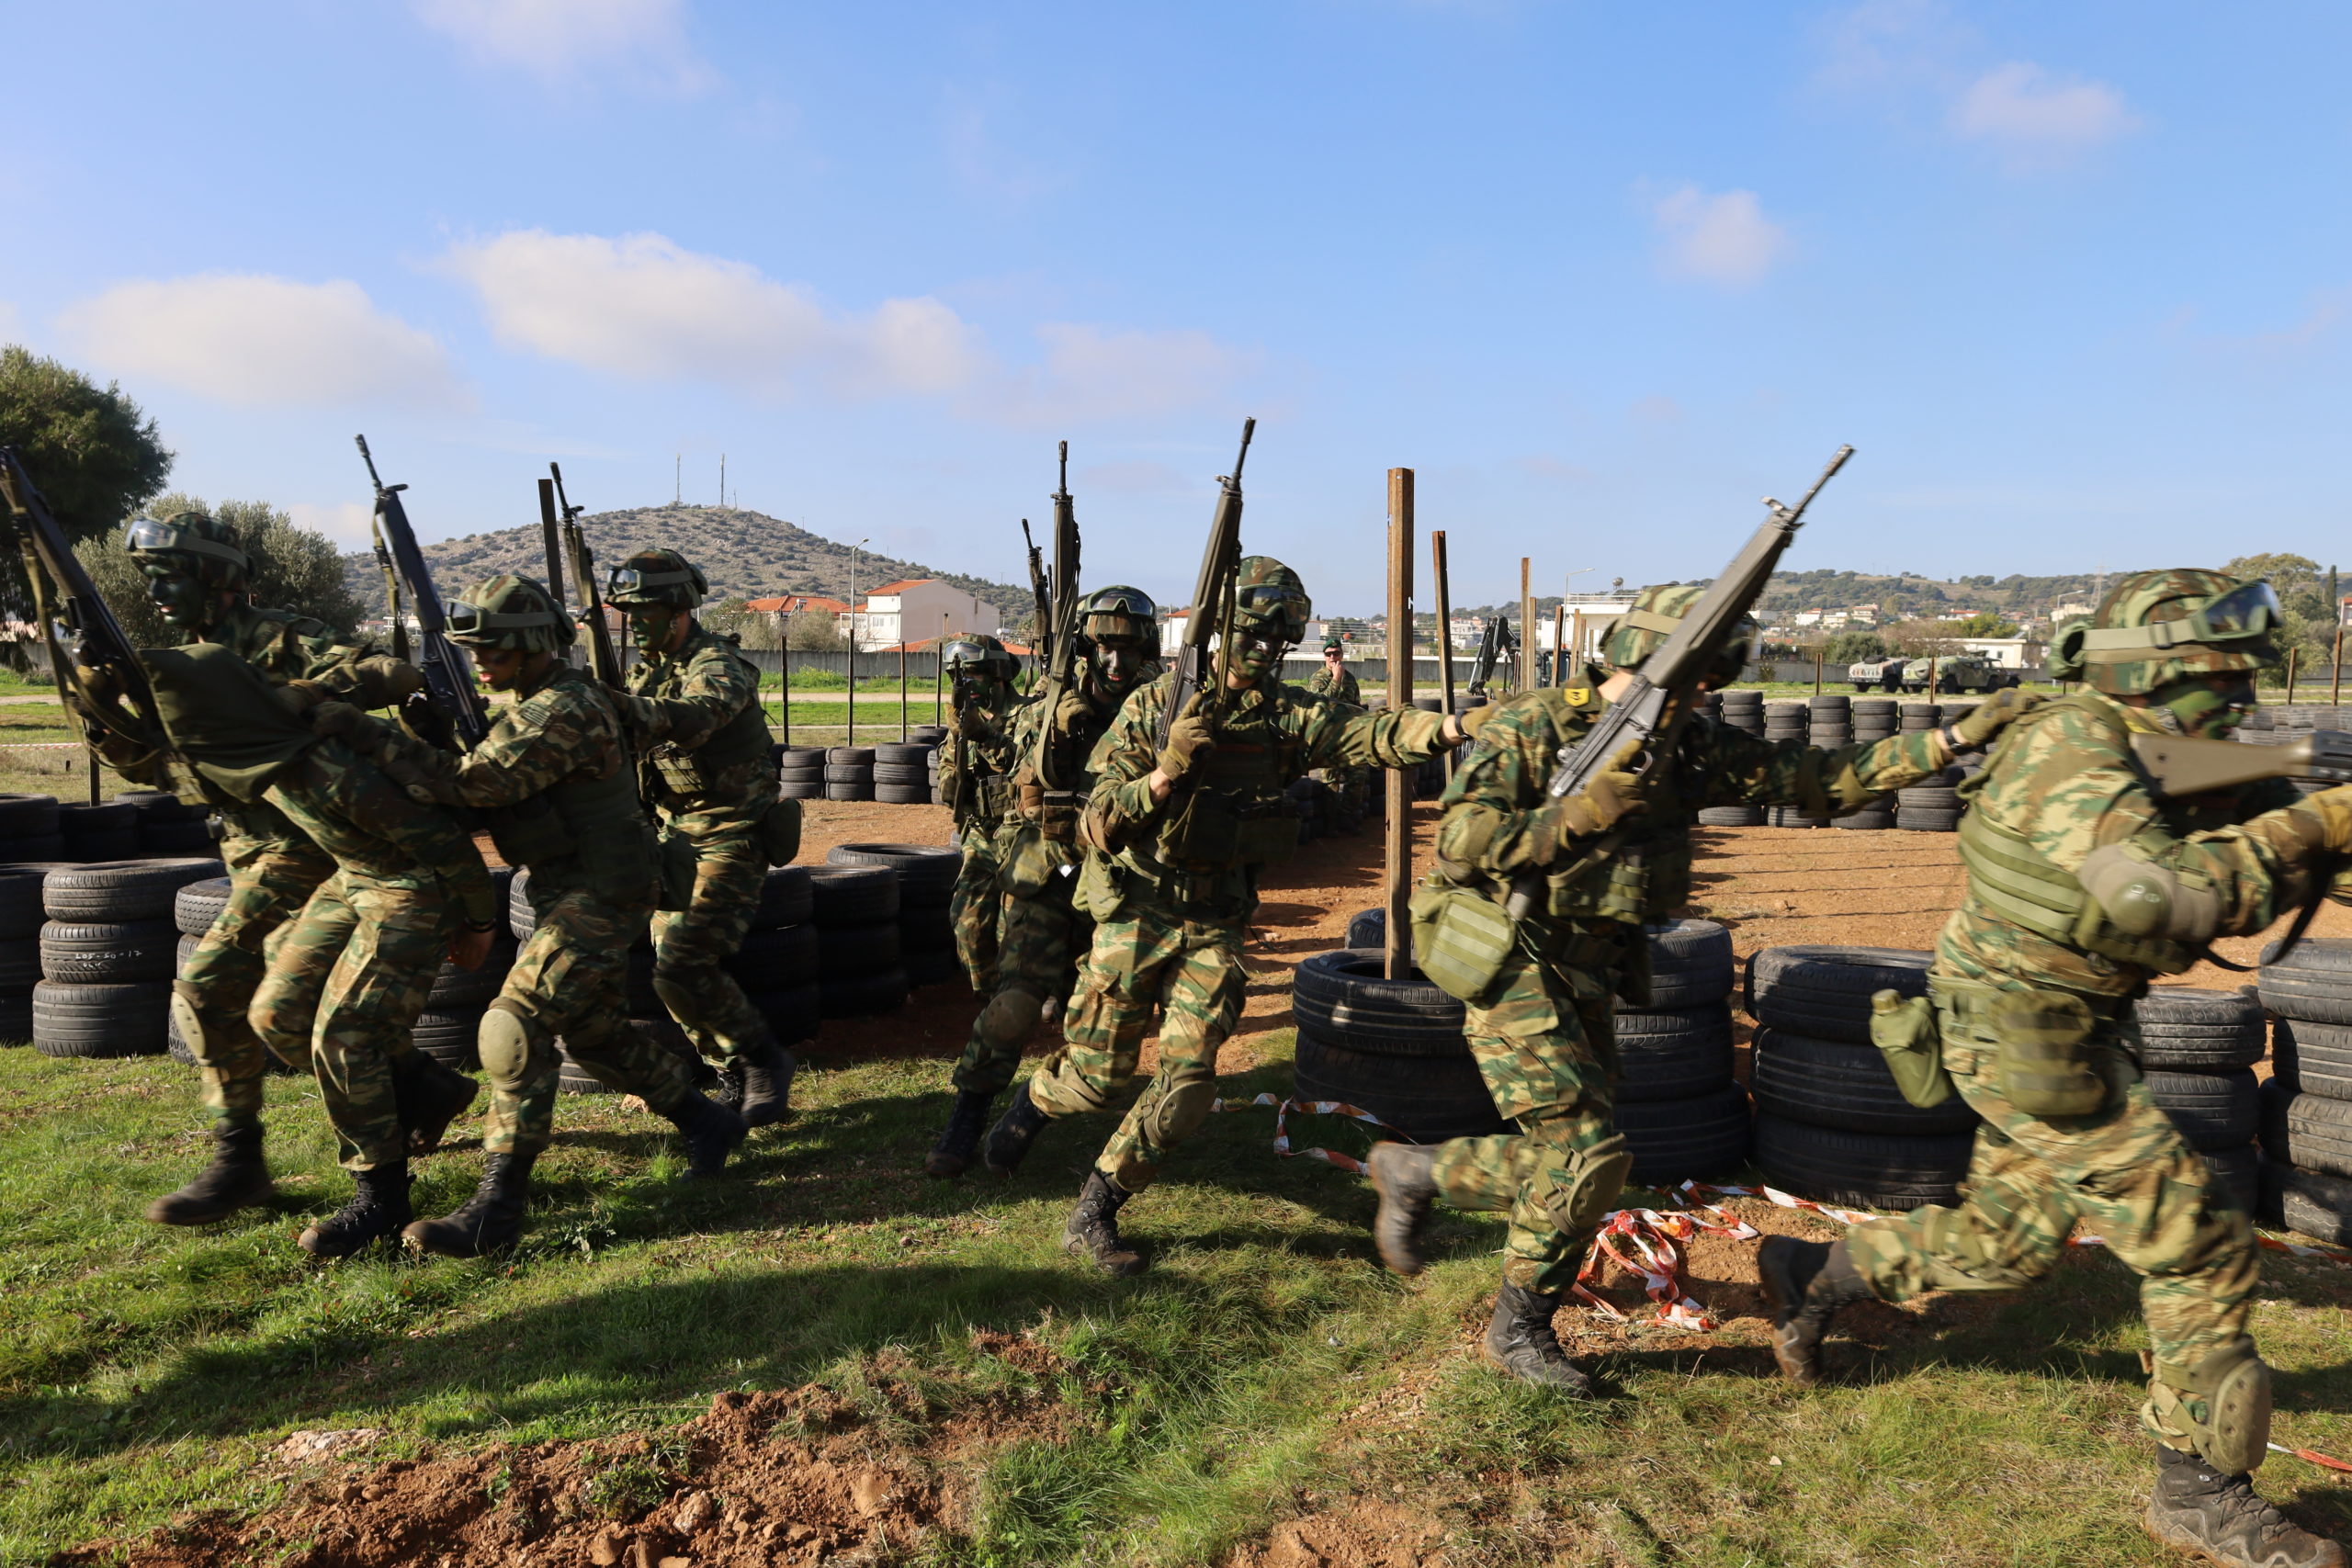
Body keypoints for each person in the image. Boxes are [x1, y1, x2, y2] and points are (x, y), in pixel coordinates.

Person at [1753, 570, 2352, 1568]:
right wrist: (2328, 820)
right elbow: (2164, 900)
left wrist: (2307, 794)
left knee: (2008, 1239)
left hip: (2051, 1023)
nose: (2242, 695)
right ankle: (2198, 1494)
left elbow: (2239, 783)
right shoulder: (2072, 746)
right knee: (2197, 1247)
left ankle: (1815, 1272)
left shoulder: (2126, 734)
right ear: (2161, 674)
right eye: (2225, 674)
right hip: (2025, 1036)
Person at [1363, 582, 2036, 1393]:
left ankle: (1417, 1172)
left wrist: (1953, 737)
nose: (1710, 689)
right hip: (1511, 952)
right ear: (1647, 659)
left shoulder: (1686, 741)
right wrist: (1573, 817)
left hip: (1591, 962)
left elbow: (1819, 776)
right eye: (1700, 672)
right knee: (1585, 1156)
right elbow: (1465, 842)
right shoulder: (1536, 724)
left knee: (1581, 1159)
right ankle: (1518, 1331)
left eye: (1719, 675)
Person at [983, 556, 1475, 1274]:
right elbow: (1092, 821)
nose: (1265, 649)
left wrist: (1454, 726)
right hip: (1136, 910)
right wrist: (1161, 776)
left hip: (1213, 921)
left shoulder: (1285, 714)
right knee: (1096, 1076)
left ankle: (1096, 1208)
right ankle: (1032, 1105)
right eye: (1253, 631)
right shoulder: (1158, 704)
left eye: (1281, 637)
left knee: (1186, 1085)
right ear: (1224, 627)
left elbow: (1372, 734)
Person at [66, 510, 472, 1228]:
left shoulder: (282, 640)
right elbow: (158, 766)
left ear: (214, 578)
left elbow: (387, 670)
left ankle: (242, 1159)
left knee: (210, 980)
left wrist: (303, 696)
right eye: (149, 578)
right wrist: (102, 711)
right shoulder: (175, 667)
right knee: (289, 1014)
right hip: (249, 850)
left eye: (169, 575)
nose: (157, 591)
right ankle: (417, 1083)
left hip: (309, 840)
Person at [332, 577, 749, 1257]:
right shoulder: (525, 703)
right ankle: (707, 1121)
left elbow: (474, 784)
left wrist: (372, 737)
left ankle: (496, 1208)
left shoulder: (564, 707)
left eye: (492, 648)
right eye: (473, 650)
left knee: (514, 1024)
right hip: (566, 885)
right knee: (595, 1034)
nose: (479, 662)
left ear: (530, 645)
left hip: (604, 890)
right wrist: (437, 735)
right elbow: (475, 778)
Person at [123, 638, 503, 1256]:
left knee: (345, 1032)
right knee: (276, 1013)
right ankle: (425, 1086)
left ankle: (380, 1200)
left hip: (414, 883)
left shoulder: (327, 766)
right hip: (352, 875)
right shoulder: (242, 746)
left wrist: (481, 925)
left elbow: (449, 849)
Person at [924, 587, 1160, 1178]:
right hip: (1052, 870)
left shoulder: (1166, 707)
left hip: (1127, 882)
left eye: (1128, 649)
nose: (1115, 663)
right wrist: (1052, 735)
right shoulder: (1049, 703)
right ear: (1086, 644)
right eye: (1104, 645)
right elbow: (1015, 772)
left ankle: (1033, 1113)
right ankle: (970, 1108)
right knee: (1013, 1005)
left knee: (1106, 1028)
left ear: (1146, 650)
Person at [607, 549, 800, 1129]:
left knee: (683, 961)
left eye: (644, 612)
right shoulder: (649, 671)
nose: (634, 623)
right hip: (674, 837)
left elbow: (696, 715)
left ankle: (762, 1061)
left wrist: (619, 706)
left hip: (731, 835)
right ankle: (733, 1073)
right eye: (627, 614)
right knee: (672, 969)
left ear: (678, 611)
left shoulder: (716, 663)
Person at [934, 634, 1026, 996]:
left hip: (1023, 835)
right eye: (960, 678)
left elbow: (1027, 766)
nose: (966, 685)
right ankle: (993, 1001)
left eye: (974, 675)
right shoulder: (960, 722)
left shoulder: (1029, 714)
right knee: (968, 924)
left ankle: (1025, 997)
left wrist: (984, 736)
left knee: (1014, 926)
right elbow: (948, 779)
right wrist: (954, 759)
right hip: (981, 834)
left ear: (998, 674)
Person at [1304, 637, 1370, 832]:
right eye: (1329, 654)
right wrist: (1335, 679)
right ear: (1324, 656)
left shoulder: (1350, 679)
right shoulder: (1318, 678)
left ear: (1342, 654)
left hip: (1349, 737)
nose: (1333, 657)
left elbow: (1356, 706)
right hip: (1328, 738)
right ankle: (1330, 824)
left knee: (1357, 777)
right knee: (1330, 783)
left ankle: (1345, 817)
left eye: (1336, 653)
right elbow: (1318, 705)